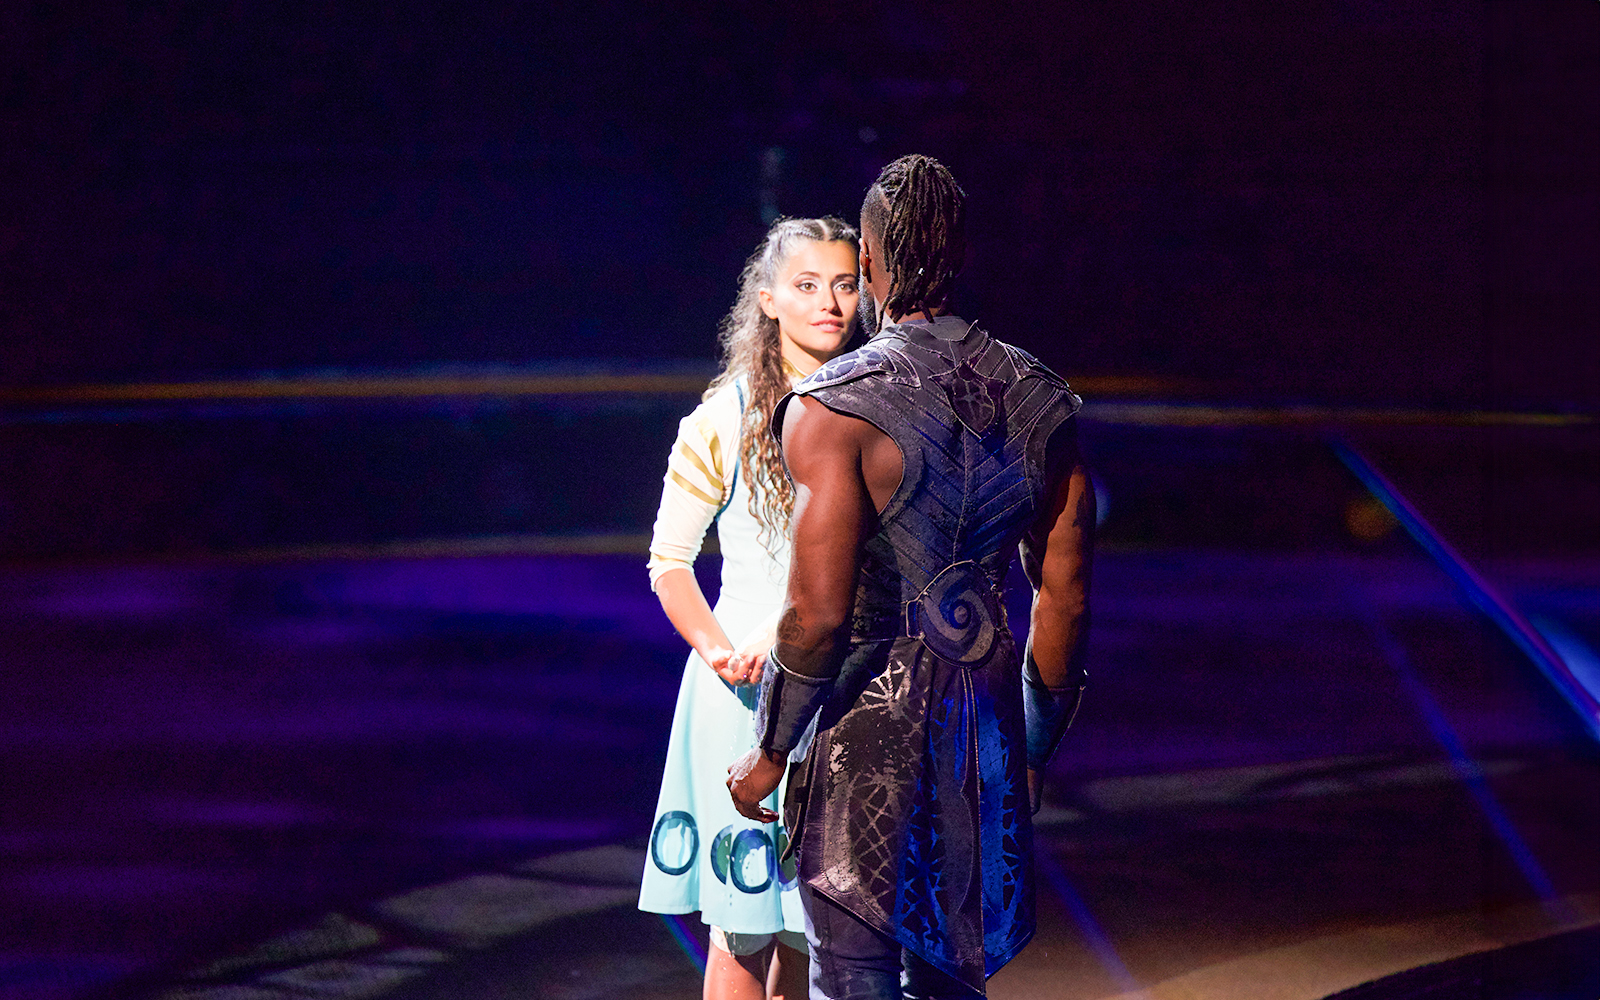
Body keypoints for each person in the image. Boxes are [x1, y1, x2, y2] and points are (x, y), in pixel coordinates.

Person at [728, 155, 1094, 999]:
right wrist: (1033, 748)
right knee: (954, 979)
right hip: (988, 722)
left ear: (878, 263)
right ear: (960, 253)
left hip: (868, 728)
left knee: (855, 980)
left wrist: (769, 750)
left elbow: (816, 617)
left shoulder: (836, 405)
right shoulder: (1042, 401)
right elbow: (1065, 598)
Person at [640, 216, 864, 1000]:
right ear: (767, 300)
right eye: (807, 286)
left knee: (822, 934)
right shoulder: (721, 419)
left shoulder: (880, 412)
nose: (829, 303)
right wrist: (717, 647)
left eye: (844, 284)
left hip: (845, 693)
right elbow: (669, 561)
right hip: (743, 694)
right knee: (744, 928)